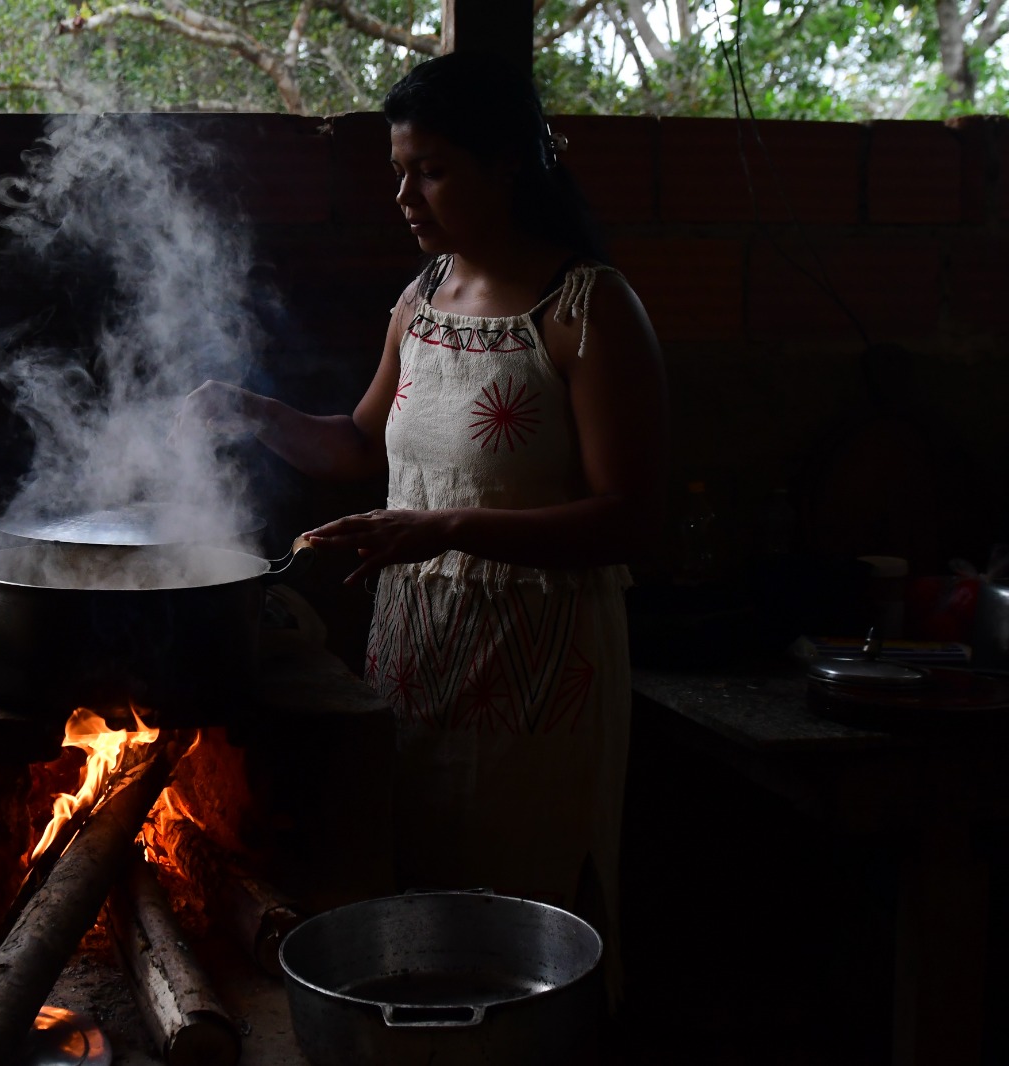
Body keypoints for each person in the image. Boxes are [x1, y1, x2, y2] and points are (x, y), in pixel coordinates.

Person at [178, 51, 667, 999]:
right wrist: (248, 410)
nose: (404, 193)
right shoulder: (423, 299)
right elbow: (360, 446)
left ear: (510, 167)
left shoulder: (587, 311)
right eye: (398, 169)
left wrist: (447, 529)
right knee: (417, 921)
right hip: (412, 659)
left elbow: (631, 519)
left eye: (431, 170)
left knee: (516, 943)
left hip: (538, 680)